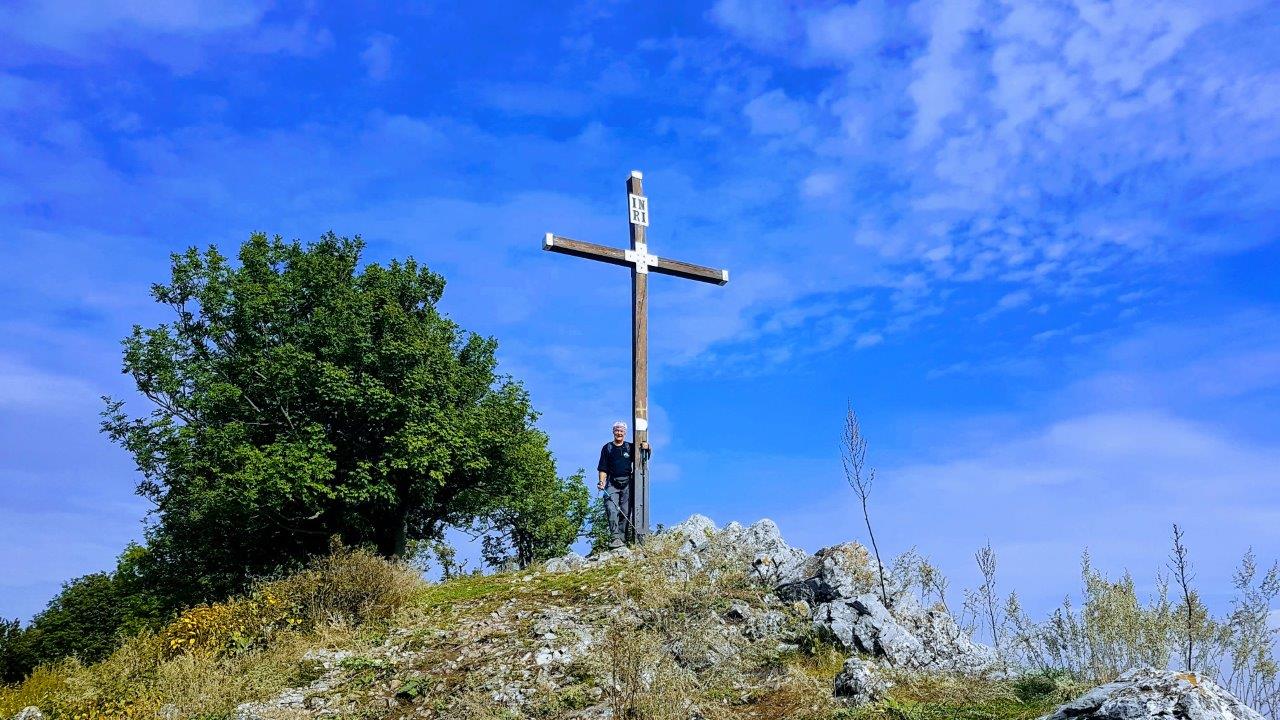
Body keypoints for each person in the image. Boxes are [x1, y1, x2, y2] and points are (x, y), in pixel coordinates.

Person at [597, 421, 651, 549]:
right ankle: (615, 537)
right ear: (613, 432)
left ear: (625, 433)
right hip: (612, 482)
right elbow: (603, 468)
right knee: (611, 508)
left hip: (627, 483)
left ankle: (622, 539)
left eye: (621, 431)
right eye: (617, 430)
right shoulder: (607, 448)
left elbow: (643, 457)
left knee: (625, 512)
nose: (619, 433)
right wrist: (601, 481)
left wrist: (648, 448)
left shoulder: (630, 447)